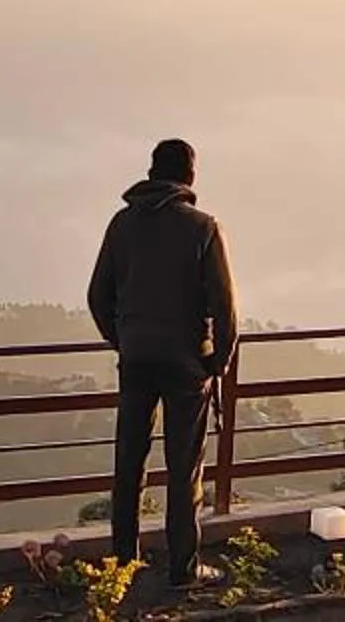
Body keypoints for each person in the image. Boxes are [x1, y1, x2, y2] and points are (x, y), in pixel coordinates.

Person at [86, 138, 238, 590]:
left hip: (136, 360)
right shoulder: (204, 228)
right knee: (183, 467)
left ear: (151, 172)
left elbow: (98, 297)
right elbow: (226, 309)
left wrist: (124, 340)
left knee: (129, 463)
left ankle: (122, 564)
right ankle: (183, 569)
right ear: (190, 176)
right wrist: (217, 362)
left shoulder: (121, 225)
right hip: (186, 363)